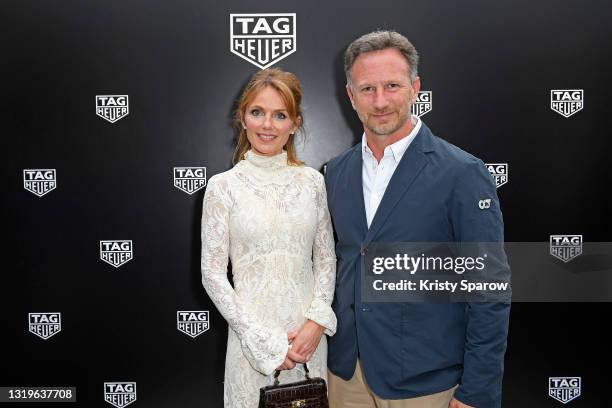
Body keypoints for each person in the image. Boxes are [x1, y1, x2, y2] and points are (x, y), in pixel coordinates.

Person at [324, 31, 511, 408]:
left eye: (392, 86)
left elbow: (489, 289)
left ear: (415, 88)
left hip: (427, 383)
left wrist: (477, 390)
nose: (380, 101)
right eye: (367, 89)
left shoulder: (462, 172)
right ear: (350, 95)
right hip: (346, 377)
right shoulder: (334, 173)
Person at [201, 67, 337, 407]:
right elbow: (213, 274)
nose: (267, 125)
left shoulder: (312, 182)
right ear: (243, 118)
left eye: (280, 115)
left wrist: (316, 323)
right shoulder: (222, 187)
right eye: (257, 112)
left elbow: (325, 258)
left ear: (294, 123)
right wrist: (263, 342)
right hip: (252, 347)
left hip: (307, 343)